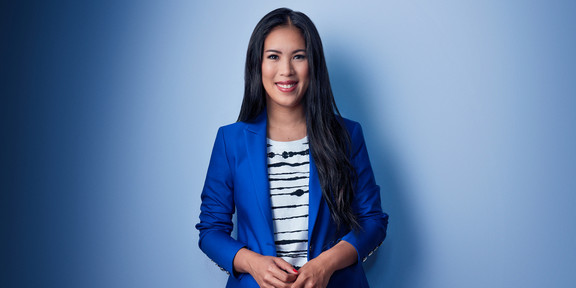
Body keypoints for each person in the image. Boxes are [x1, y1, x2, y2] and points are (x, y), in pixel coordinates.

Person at [196, 8, 388, 288]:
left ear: (314, 64)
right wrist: (253, 263)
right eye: (273, 56)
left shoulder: (347, 135)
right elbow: (210, 231)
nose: (286, 70)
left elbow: (372, 221)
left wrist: (326, 264)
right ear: (257, 65)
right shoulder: (230, 141)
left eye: (298, 56)